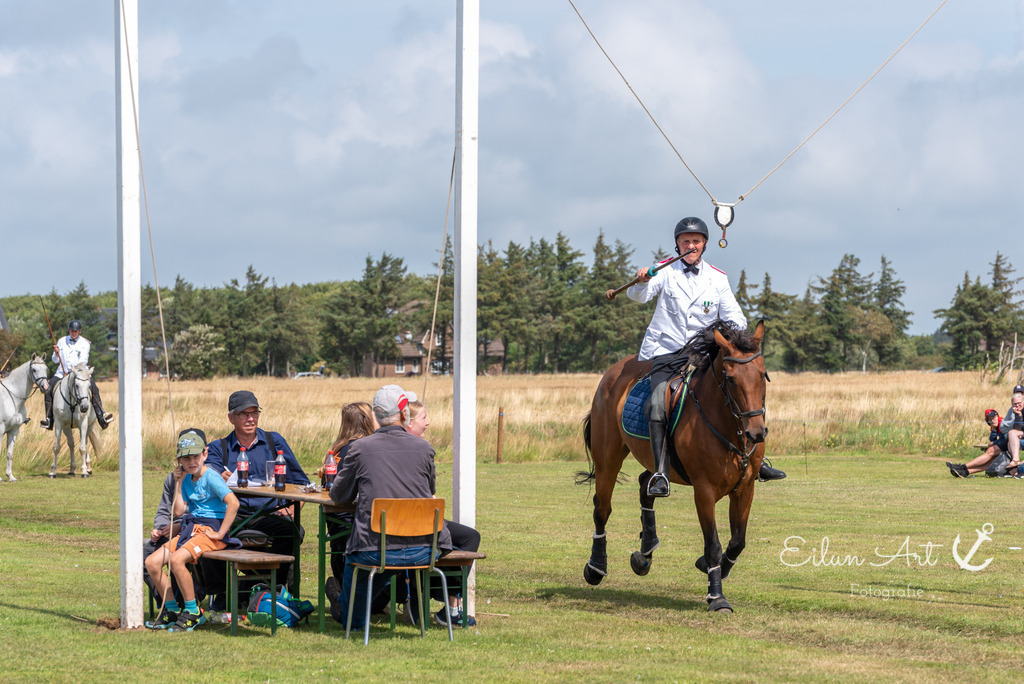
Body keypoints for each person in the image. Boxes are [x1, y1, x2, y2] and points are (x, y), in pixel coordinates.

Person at [626, 217, 785, 497]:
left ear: (705, 244)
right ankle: (661, 472)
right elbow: (639, 297)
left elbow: (734, 315)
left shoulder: (717, 277)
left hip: (704, 353)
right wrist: (642, 280)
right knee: (658, 402)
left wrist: (734, 340)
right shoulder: (663, 271)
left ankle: (756, 462)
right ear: (677, 244)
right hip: (667, 352)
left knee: (739, 392)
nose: (691, 245)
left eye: (696, 241)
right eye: (685, 241)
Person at [324, 384, 452, 629]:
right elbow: (429, 489)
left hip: (376, 547)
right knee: (379, 565)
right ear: (404, 414)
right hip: (424, 548)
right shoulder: (425, 448)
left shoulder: (360, 448)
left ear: (376, 416)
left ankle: (353, 620)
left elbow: (339, 495)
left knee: (357, 563)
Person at [204, 390, 310, 604]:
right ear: (231, 417)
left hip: (269, 514)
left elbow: (302, 484)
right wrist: (218, 479)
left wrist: (291, 509)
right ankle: (225, 592)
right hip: (234, 516)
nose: (251, 418)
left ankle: (265, 589)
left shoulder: (274, 441)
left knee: (293, 531)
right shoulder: (219, 447)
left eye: (254, 413)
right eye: (244, 414)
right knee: (208, 533)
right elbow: (205, 478)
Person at [144, 428, 239, 632]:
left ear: (205, 454)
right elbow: (178, 510)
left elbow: (233, 503)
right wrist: (178, 483)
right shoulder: (186, 479)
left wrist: (221, 534)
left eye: (196, 457)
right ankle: (171, 610)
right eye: (186, 459)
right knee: (152, 563)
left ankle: (192, 612)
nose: (192, 462)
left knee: (177, 560)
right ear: (179, 460)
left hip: (210, 531)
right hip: (192, 528)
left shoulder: (211, 477)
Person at [405, 399, 480, 627]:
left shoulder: (421, 447)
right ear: (408, 422)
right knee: (443, 541)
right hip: (414, 521)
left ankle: (450, 606)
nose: (428, 423)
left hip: (413, 517)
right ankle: (428, 601)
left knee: (469, 537)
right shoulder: (422, 449)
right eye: (423, 418)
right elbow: (430, 489)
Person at [318, 402, 378, 582]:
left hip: (336, 520)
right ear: (366, 421)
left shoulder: (338, 449)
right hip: (354, 522)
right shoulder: (362, 449)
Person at [40, 319, 114, 430]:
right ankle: (48, 419)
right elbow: (55, 360)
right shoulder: (61, 341)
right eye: (71, 331)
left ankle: (102, 415)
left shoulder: (85, 343)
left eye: (75, 331)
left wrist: (72, 371)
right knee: (48, 389)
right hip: (61, 372)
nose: (73, 333)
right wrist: (56, 354)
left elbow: (83, 361)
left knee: (94, 388)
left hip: (80, 372)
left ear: (79, 331)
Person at [946, 409, 1011, 478]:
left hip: (1010, 443)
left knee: (990, 451)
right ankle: (965, 472)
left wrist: (994, 443)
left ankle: (962, 467)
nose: (993, 420)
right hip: (1006, 444)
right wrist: (994, 429)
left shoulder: (1001, 423)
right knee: (990, 461)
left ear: (997, 416)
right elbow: (992, 439)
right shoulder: (994, 425)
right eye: (990, 419)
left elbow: (1004, 439)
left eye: (994, 417)